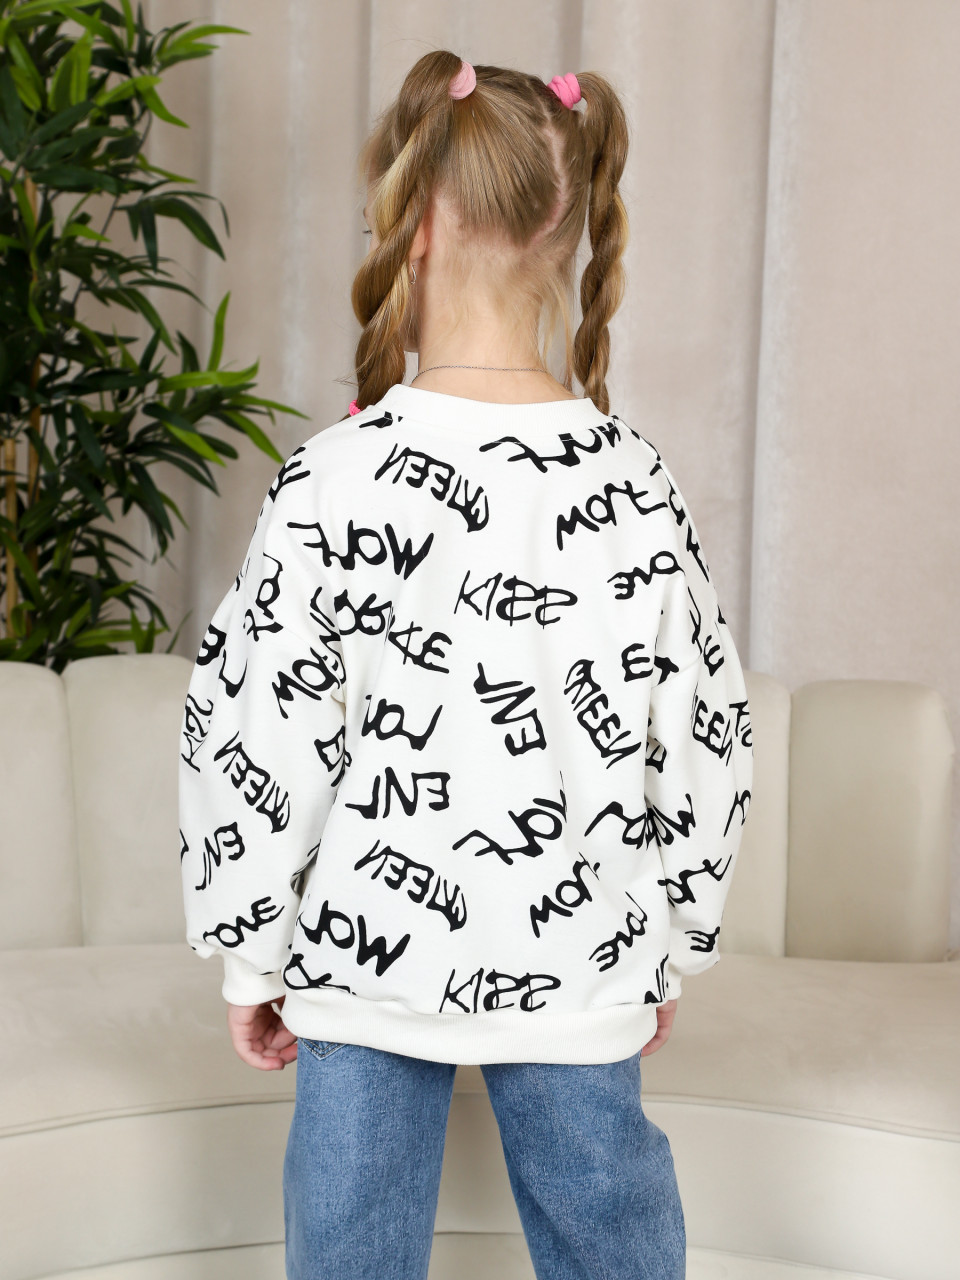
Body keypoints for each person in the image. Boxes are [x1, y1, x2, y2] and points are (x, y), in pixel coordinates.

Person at [178, 52, 753, 1280]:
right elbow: (703, 733)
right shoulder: (635, 484)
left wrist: (252, 953)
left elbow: (262, 731)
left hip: (360, 960)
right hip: (581, 958)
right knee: (614, 1246)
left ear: (414, 219)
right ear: (572, 225)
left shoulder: (334, 479)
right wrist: (673, 937)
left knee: (347, 1252)